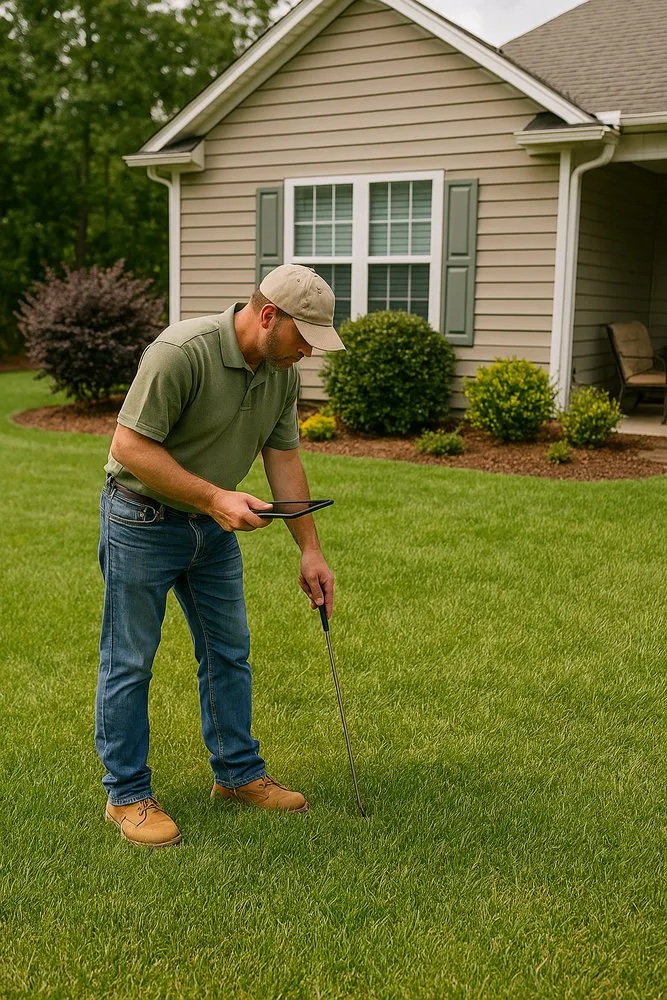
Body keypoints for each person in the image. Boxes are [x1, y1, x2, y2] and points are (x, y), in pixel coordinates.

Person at [96, 264, 345, 848]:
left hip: (211, 531)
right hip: (141, 519)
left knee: (228, 652)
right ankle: (126, 795)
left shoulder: (279, 371)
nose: (307, 352)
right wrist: (213, 497)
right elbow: (127, 446)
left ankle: (237, 775)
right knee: (129, 661)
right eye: (303, 337)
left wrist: (310, 550)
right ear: (267, 317)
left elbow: (283, 459)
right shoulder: (180, 352)